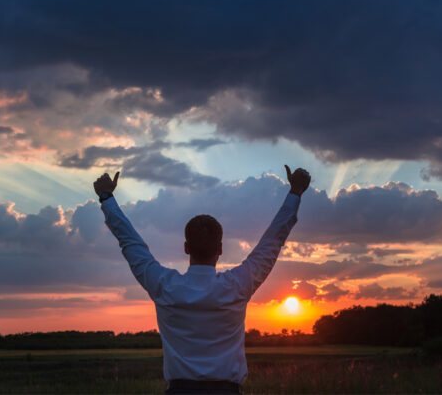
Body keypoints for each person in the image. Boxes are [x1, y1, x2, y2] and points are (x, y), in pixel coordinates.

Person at [93, 165, 311, 394]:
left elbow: (130, 242)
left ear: (186, 248)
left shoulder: (164, 285)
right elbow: (272, 241)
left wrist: (107, 198)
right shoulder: (237, 285)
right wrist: (295, 192)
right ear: (220, 248)